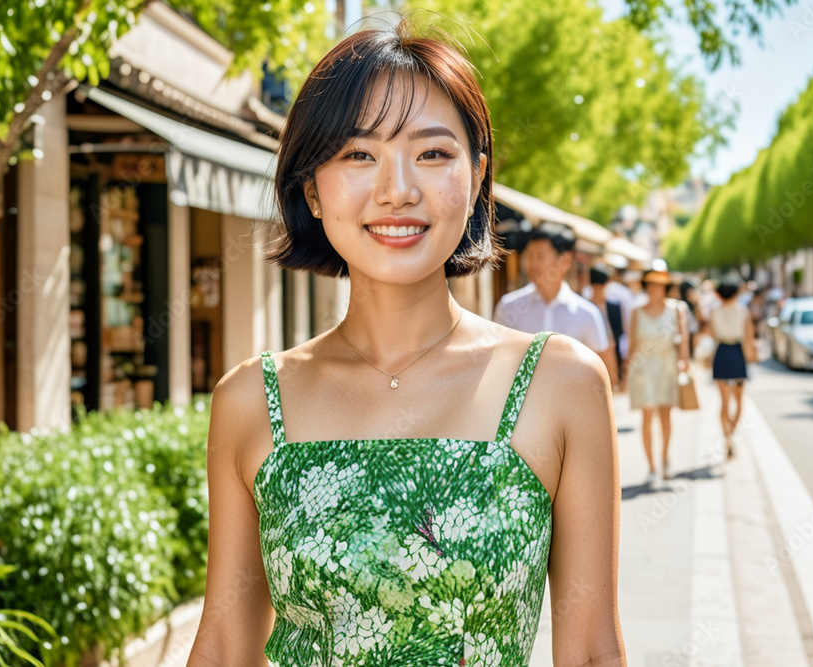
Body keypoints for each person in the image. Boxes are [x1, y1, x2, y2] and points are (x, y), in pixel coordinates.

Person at [187, 20, 626, 667]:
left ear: (477, 178)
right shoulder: (252, 397)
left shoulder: (561, 384)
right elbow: (225, 646)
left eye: (432, 153)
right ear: (312, 186)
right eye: (359, 154)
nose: (397, 189)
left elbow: (592, 652)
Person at [493, 221, 610, 358]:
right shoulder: (508, 307)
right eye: (529, 256)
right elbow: (496, 357)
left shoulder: (587, 314)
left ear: (564, 261)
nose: (533, 264)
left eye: (540, 256)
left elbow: (601, 368)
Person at [624, 269, 690, 483]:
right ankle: (651, 466)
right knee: (646, 417)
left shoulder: (676, 310)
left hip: (667, 368)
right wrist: (627, 372)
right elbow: (632, 344)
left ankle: (665, 459)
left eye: (659, 286)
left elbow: (684, 341)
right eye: (651, 285)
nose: (655, 290)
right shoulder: (637, 311)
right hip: (643, 371)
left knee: (665, 415)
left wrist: (684, 363)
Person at [710, 281, 756, 458]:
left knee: (723, 401)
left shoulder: (714, 311)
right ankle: (732, 434)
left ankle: (726, 436)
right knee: (738, 400)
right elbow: (749, 338)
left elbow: (713, 335)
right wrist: (750, 357)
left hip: (721, 352)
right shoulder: (743, 311)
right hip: (737, 354)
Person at [588, 266, 625, 390]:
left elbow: (619, 331)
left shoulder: (614, 307)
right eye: (596, 287)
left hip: (611, 352)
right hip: (591, 353)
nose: (598, 290)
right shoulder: (585, 307)